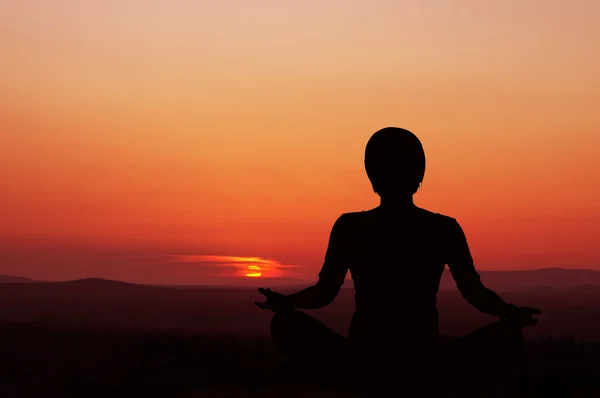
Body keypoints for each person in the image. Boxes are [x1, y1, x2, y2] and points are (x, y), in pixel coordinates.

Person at [255, 127, 541, 395]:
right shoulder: (442, 229)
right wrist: (510, 313)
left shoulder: (351, 227)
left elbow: (324, 293)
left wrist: (287, 304)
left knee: (285, 324)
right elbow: (474, 293)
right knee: (507, 336)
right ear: (419, 175)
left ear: (372, 176)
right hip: (422, 362)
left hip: (365, 360)